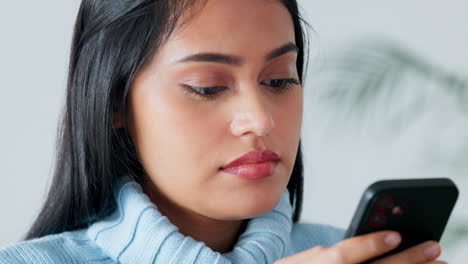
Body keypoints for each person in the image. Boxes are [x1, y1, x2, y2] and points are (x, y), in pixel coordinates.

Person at [0, 0, 445, 263]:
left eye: (279, 80)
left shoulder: (345, 252)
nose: (261, 119)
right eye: (207, 87)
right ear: (115, 104)